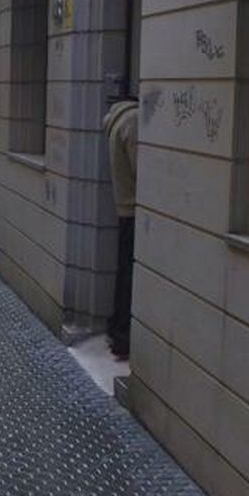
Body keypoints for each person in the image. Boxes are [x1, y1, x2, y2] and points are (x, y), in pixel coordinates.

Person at [103, 94, 139, 360]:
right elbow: (142, 169)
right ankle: (122, 335)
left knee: (124, 272)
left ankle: (116, 329)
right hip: (134, 209)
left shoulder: (115, 122)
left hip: (123, 207)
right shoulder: (133, 122)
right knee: (128, 276)